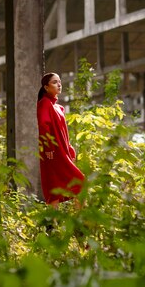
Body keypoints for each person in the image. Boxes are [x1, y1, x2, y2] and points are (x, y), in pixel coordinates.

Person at [37, 72, 85, 206]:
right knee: (79, 182)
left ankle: (52, 223)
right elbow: (43, 125)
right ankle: (78, 222)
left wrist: (70, 149)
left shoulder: (59, 108)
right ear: (46, 87)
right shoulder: (44, 103)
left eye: (59, 82)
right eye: (54, 82)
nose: (59, 84)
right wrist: (48, 148)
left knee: (57, 186)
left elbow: (64, 132)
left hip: (62, 152)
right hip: (52, 152)